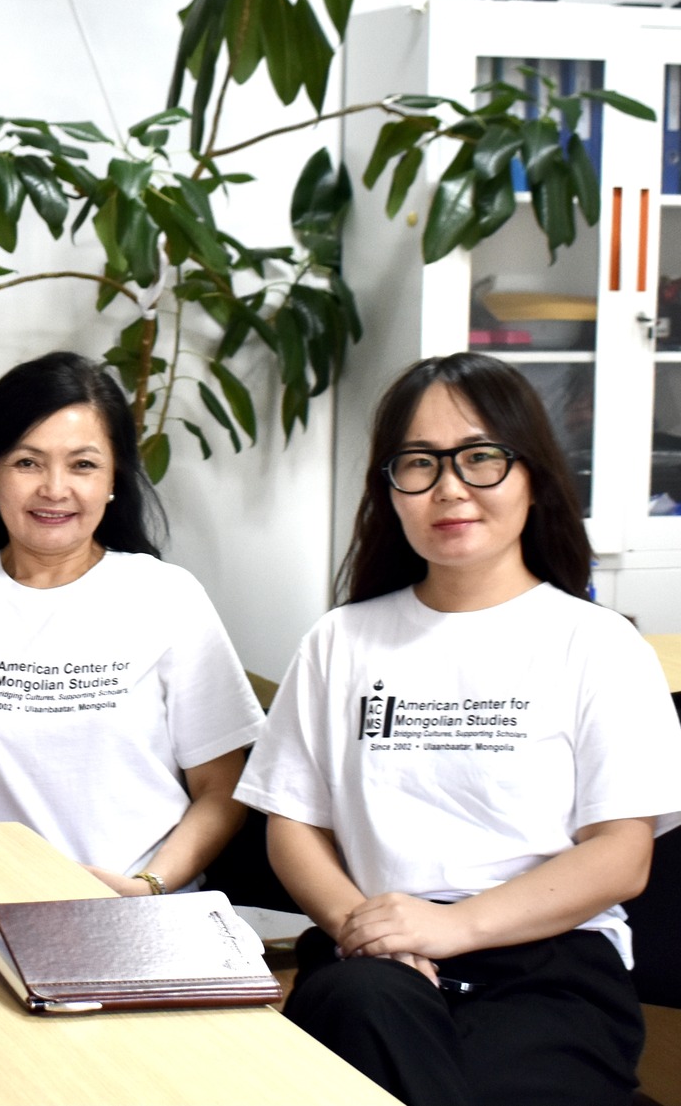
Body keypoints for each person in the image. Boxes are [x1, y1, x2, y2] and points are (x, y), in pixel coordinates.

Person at [237, 353, 681, 1106]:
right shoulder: (340, 641)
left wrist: (456, 927)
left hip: (550, 967)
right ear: (391, 489)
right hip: (372, 961)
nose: (449, 487)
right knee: (360, 1008)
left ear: (532, 473)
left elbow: (621, 856)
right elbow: (293, 826)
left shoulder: (597, 644)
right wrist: (367, 928)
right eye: (419, 462)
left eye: (480, 457)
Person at [0, 351, 264, 896]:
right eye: (27, 462)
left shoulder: (168, 597)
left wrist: (146, 886)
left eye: (82, 464)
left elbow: (222, 791)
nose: (55, 489)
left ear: (113, 479)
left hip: (148, 907)